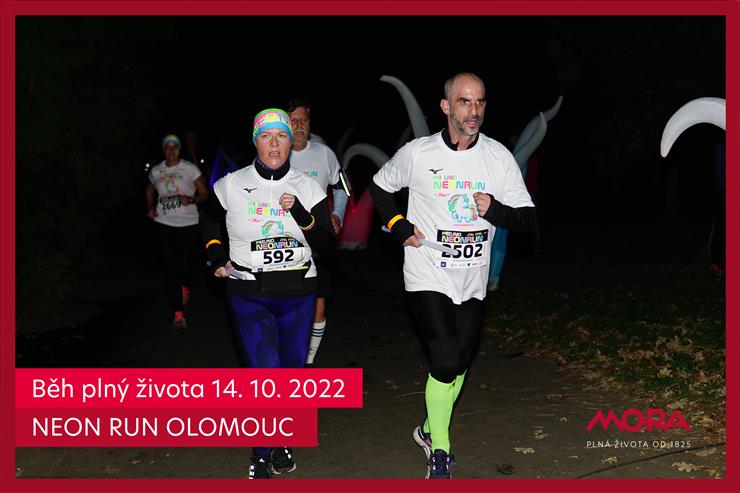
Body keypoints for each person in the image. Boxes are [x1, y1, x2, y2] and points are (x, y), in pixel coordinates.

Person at [370, 73, 535, 479]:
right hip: (427, 270)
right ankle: (439, 451)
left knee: (459, 361)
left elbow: (528, 220)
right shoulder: (418, 153)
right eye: (464, 102)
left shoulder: (498, 157)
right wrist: (398, 224)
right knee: (444, 358)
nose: (474, 111)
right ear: (446, 106)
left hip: (473, 277)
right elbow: (380, 187)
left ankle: (429, 427)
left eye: (480, 102)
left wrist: (495, 209)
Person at [199, 108, 336, 479]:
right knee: (265, 373)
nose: (274, 144)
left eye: (281, 136)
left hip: (299, 291)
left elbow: (327, 244)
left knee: (289, 376)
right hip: (249, 292)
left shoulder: (307, 186)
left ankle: (280, 439)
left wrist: (303, 216)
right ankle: (261, 454)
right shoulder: (231, 184)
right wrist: (216, 254)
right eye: (266, 136)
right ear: (255, 141)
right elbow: (208, 219)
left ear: (291, 142)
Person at [286, 98, 349, 365]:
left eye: (304, 120)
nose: (299, 125)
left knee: (319, 304)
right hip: (285, 242)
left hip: (319, 240)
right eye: (294, 120)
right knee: (290, 305)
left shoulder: (325, 154)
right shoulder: (274, 154)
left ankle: (307, 362)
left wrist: (337, 214)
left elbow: (342, 187)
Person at [145, 134, 209, 329]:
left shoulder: (190, 169)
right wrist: (150, 206)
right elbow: (149, 189)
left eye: (174, 147)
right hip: (163, 222)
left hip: (188, 223)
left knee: (186, 266)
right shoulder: (157, 170)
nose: (171, 150)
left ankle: (185, 286)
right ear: (164, 150)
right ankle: (178, 315)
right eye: (167, 147)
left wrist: (191, 199)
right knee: (169, 268)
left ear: (179, 149)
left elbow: (204, 194)